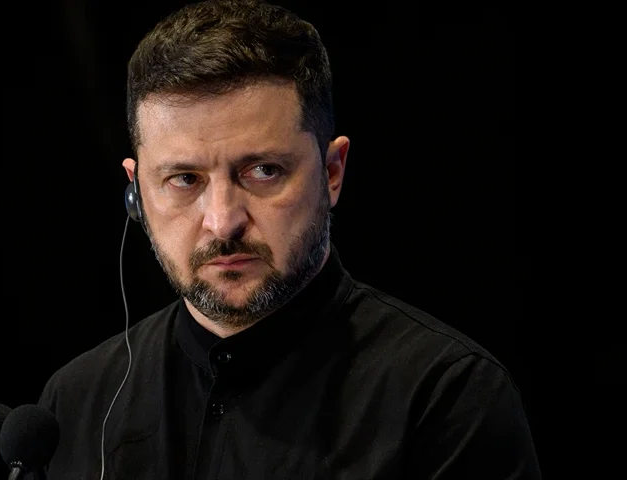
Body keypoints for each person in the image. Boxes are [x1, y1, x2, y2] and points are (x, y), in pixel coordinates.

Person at [34, 0, 540, 478]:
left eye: (263, 170)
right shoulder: (76, 403)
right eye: (184, 179)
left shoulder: (445, 398)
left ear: (332, 170)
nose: (223, 221)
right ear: (136, 191)